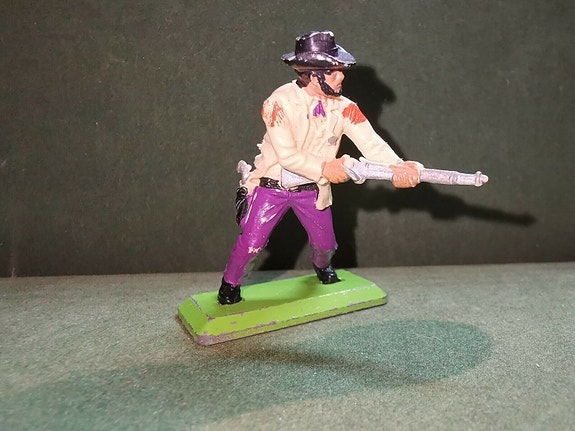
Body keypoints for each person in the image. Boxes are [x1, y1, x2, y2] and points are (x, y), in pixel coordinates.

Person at [217, 30, 422, 305]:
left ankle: (322, 267)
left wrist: (398, 166)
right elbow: (287, 156)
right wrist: (326, 168)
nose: (341, 77)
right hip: (272, 186)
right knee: (252, 243)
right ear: (314, 76)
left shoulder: (345, 107)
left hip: (312, 190)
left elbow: (371, 142)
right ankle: (230, 285)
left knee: (326, 244)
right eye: (335, 72)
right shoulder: (278, 102)